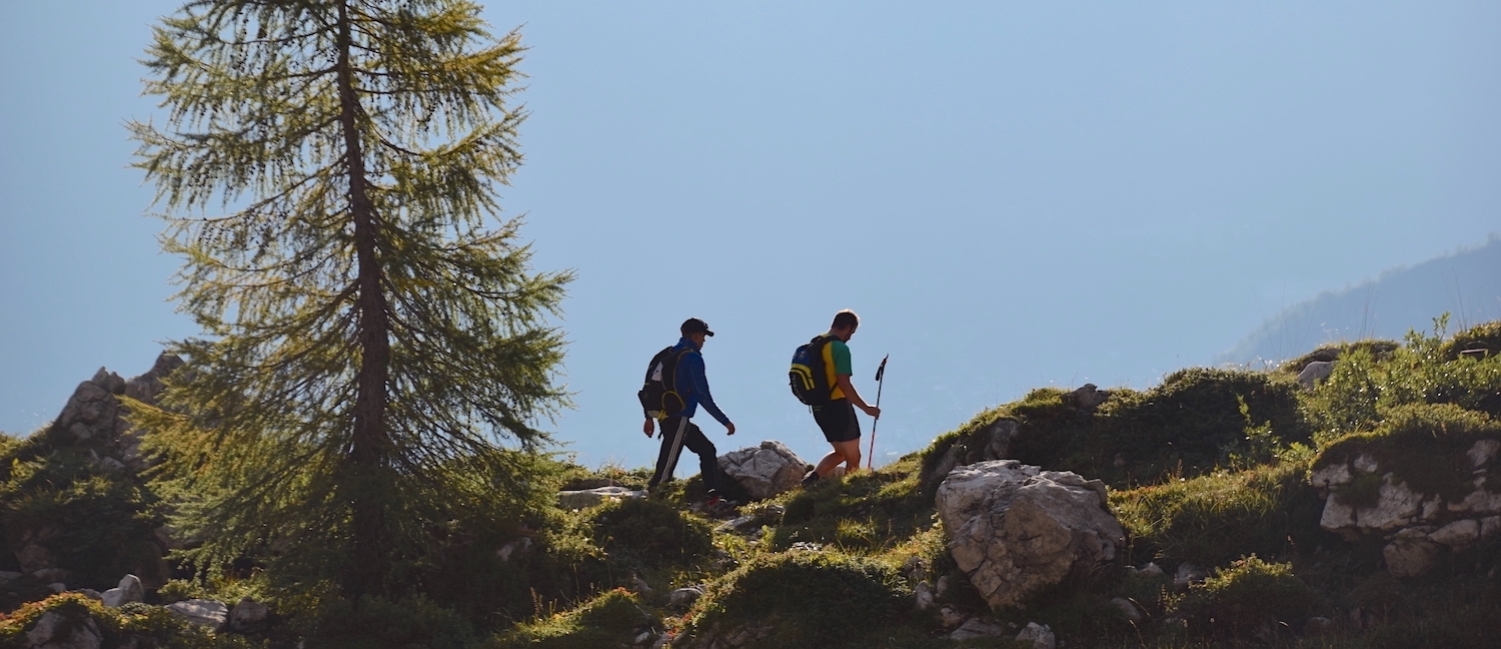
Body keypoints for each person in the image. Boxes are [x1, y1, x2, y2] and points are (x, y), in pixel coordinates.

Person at [644, 317, 736, 505]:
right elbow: (702, 394)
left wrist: (648, 417)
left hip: (663, 415)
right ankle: (654, 497)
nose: (703, 342)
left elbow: (647, 386)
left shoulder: (664, 354)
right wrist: (724, 421)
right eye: (703, 337)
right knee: (669, 460)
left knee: (707, 450)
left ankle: (713, 496)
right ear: (696, 335)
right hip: (679, 417)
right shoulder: (692, 357)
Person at [803, 309, 881, 486]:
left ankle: (811, 479)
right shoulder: (840, 349)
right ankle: (848, 492)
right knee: (854, 457)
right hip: (838, 407)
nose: (851, 337)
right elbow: (844, 384)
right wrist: (866, 408)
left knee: (840, 453)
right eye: (852, 333)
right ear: (847, 327)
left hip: (818, 407)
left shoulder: (816, 343)